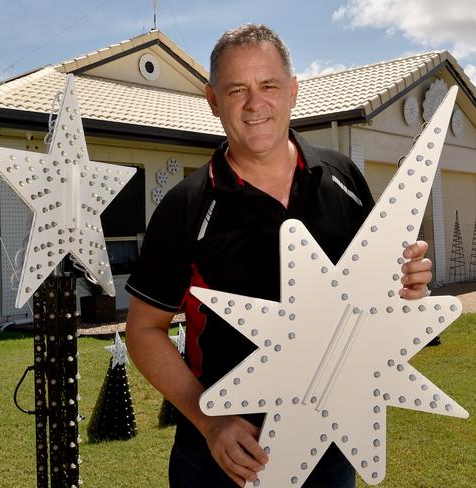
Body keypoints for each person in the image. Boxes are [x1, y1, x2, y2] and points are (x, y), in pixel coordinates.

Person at [125, 24, 432, 488]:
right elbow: (143, 331)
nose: (255, 104)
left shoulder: (342, 177)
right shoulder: (186, 205)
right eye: (236, 90)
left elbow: (372, 298)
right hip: (224, 459)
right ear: (212, 100)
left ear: (292, 91)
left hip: (331, 445)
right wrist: (209, 422)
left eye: (268, 85)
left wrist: (407, 284)